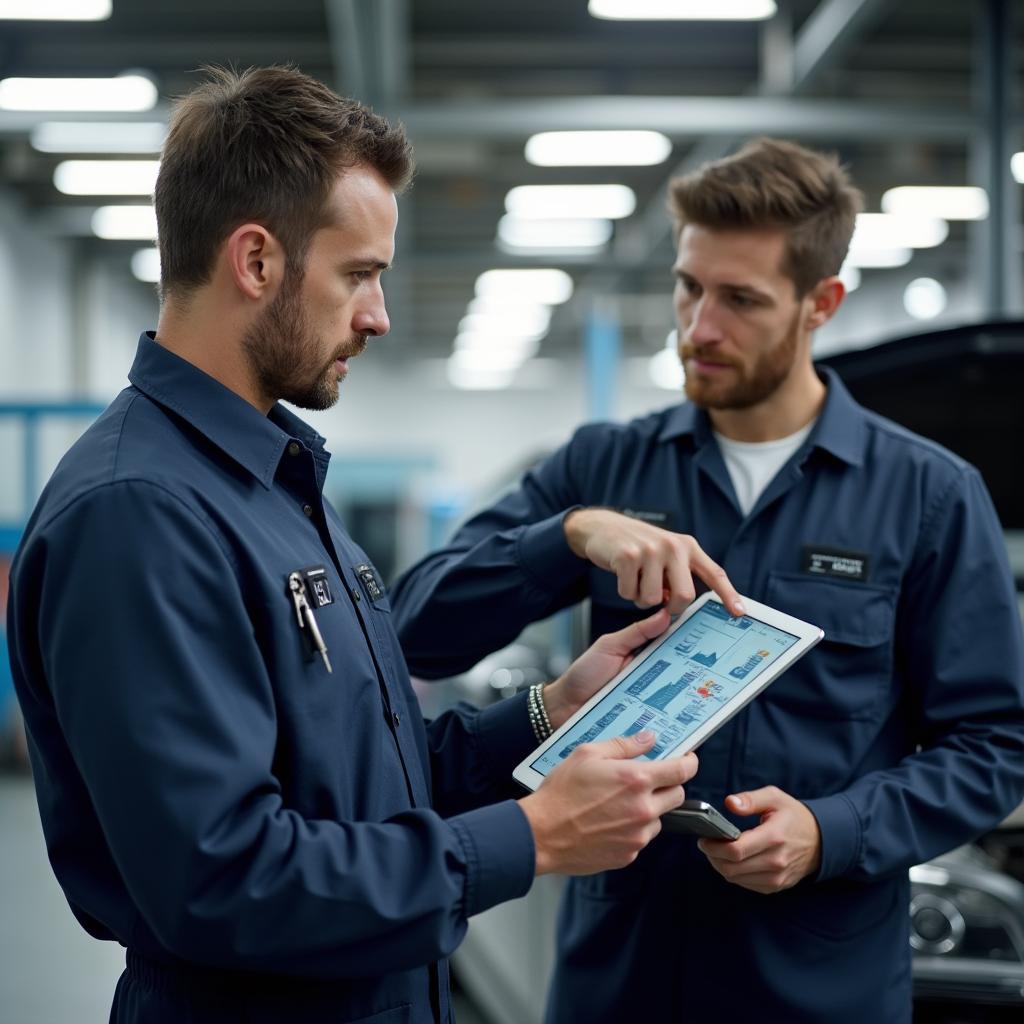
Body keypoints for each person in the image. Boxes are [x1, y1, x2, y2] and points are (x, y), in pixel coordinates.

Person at [5, 66, 701, 1024]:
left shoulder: (273, 479)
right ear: (256, 262)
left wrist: (547, 713)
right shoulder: (141, 514)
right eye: (360, 274)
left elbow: (371, 779)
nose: (376, 314)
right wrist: (531, 837)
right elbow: (224, 879)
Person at [392, 138, 1024, 1023]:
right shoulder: (605, 466)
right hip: (621, 976)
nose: (699, 327)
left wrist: (829, 832)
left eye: (741, 300)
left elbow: (993, 745)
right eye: (689, 287)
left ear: (822, 303)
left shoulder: (927, 497)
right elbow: (413, 627)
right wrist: (568, 534)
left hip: (815, 982)